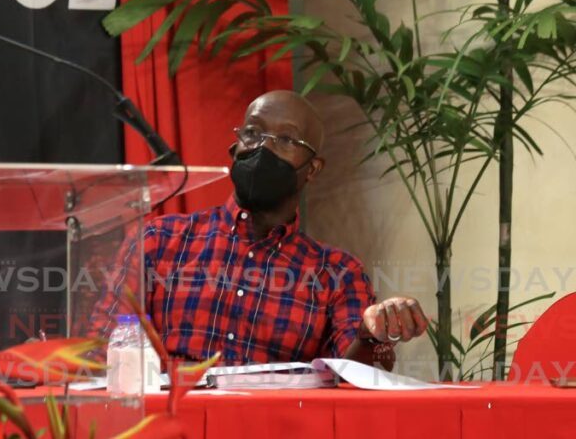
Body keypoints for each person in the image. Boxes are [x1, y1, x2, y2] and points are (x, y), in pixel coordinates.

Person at [100, 90, 427, 371]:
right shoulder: (159, 241)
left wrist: (376, 335)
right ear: (234, 150)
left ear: (312, 169)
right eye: (253, 133)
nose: (263, 149)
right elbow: (99, 347)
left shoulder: (338, 274)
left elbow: (359, 374)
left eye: (286, 139)